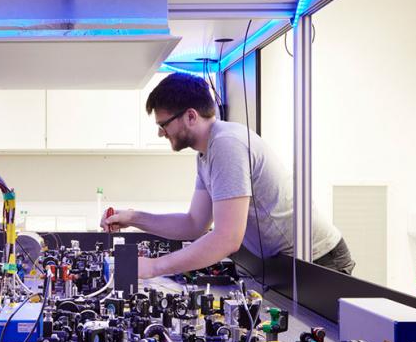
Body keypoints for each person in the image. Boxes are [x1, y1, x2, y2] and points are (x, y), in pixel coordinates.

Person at [101, 73, 354, 279]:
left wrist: (154, 267)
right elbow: (194, 224)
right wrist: (134, 218)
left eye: (163, 124)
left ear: (191, 116)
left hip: (321, 261)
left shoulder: (226, 144)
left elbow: (227, 239)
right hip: (288, 262)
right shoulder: (206, 153)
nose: (161, 133)